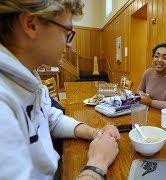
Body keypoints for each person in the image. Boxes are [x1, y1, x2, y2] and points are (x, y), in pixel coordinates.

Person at [0, 1, 120, 179]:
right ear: (30, 25)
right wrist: (97, 163)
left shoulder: (29, 77)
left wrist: (94, 132)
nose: (69, 45)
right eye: (66, 32)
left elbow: (50, 118)